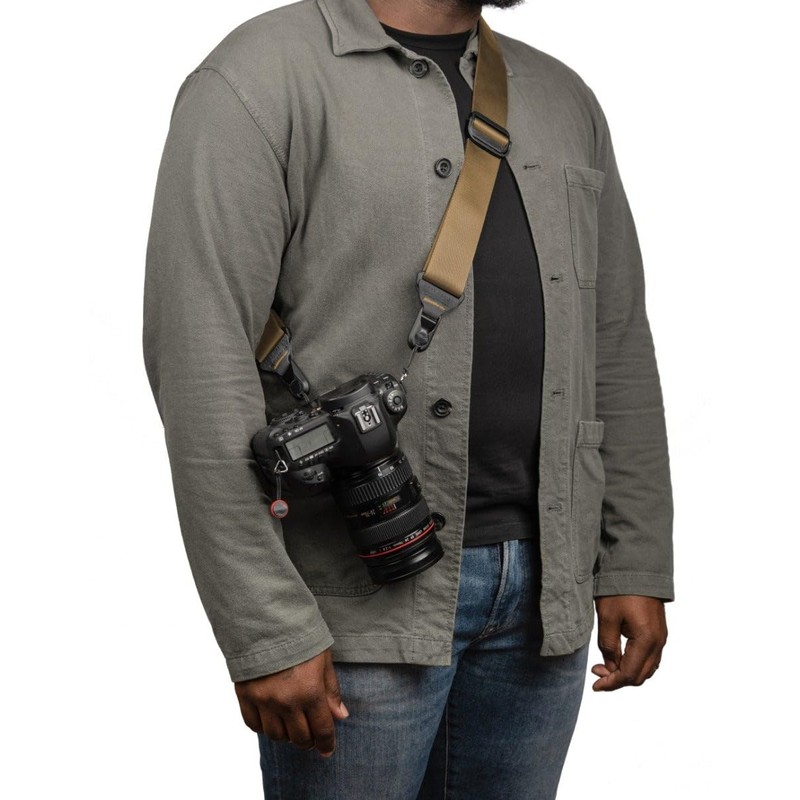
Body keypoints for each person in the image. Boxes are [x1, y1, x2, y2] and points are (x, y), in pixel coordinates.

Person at [143, 0, 674, 797]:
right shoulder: (257, 78)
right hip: (350, 601)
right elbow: (199, 356)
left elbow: (616, 340)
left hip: (544, 594)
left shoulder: (561, 96)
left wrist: (632, 555)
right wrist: (265, 626)